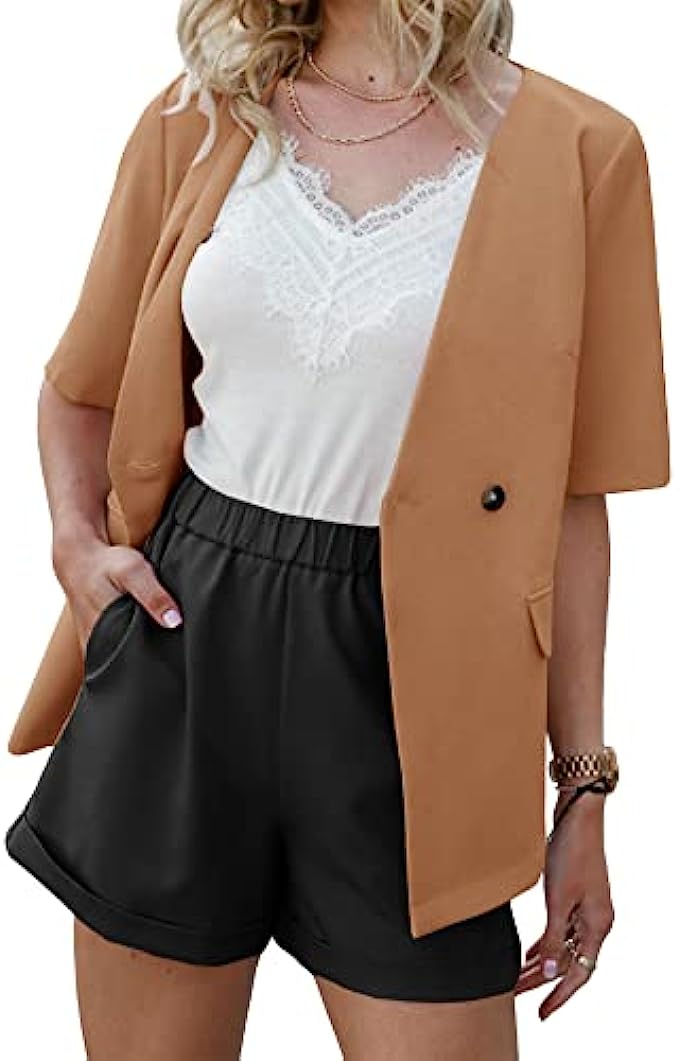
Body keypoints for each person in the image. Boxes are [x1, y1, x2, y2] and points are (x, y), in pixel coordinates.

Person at [5, 1, 670, 1058]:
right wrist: (77, 551)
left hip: (422, 684)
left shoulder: (583, 152)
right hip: (186, 641)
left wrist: (581, 786)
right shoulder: (201, 117)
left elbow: (571, 500)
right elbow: (79, 387)